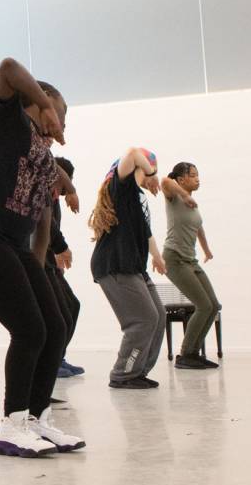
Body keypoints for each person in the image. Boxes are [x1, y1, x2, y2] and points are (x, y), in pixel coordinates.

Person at [0, 60, 80, 458]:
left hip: (14, 246)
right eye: (58, 114)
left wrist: (36, 270)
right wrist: (44, 101)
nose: (62, 126)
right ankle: (11, 423)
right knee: (29, 330)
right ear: (37, 107)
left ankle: (36, 420)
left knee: (54, 325)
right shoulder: (5, 121)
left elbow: (41, 220)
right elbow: (7, 67)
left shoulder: (42, 157)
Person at [91, 147, 166, 389]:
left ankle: (138, 370)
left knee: (158, 316)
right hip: (115, 265)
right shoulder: (120, 188)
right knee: (142, 320)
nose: (150, 177)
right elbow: (133, 152)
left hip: (133, 266)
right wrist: (151, 171)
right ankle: (122, 374)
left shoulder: (133, 198)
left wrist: (157, 257)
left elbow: (147, 234)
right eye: (145, 171)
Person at [160, 163, 220, 370]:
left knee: (213, 306)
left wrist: (207, 250)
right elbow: (164, 181)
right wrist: (184, 195)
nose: (197, 179)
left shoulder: (193, 203)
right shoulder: (173, 196)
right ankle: (186, 355)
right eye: (193, 175)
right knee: (203, 306)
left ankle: (194, 353)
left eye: (198, 175)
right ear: (181, 179)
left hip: (191, 260)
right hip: (174, 258)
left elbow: (198, 228)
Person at [50, 160, 85, 379]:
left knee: (71, 307)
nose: (67, 188)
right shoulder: (44, 194)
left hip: (49, 263)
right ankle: (52, 362)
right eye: (67, 182)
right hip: (40, 264)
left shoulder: (54, 200)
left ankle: (57, 358)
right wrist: (61, 249)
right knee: (62, 312)